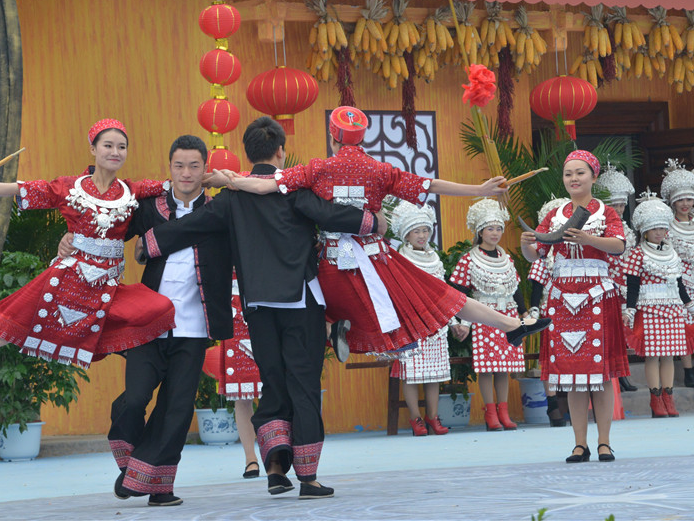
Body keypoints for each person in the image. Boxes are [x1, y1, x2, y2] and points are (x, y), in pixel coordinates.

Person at [140, 116, 386, 500]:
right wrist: (372, 221)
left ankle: (274, 468)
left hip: (256, 305)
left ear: (247, 153)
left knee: (271, 381)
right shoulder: (293, 190)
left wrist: (149, 244)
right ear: (281, 152)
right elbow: (330, 215)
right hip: (300, 301)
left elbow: (192, 226)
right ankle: (308, 477)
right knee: (302, 385)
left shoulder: (232, 200)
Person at [216, 106, 550, 359]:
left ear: (333, 138)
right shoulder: (379, 170)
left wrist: (228, 179)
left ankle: (334, 331)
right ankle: (512, 325)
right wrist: (478, 190)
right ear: (363, 138)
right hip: (377, 257)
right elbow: (428, 184)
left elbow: (264, 186)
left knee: (309, 307)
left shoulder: (317, 168)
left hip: (332, 261)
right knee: (440, 295)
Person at [0, 119, 176, 393]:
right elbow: (20, 188)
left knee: (157, 310)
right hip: (66, 283)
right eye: (108, 145)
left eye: (122, 147)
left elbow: (177, 185)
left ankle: (165, 377)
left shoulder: (132, 190)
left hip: (106, 287)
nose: (115, 152)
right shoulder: (68, 186)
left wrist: (215, 176)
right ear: (93, 148)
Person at [53, 135, 230, 507]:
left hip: (195, 328)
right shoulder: (149, 207)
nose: (186, 173)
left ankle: (158, 486)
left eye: (194, 166)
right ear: (169, 168)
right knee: (134, 400)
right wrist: (72, 237)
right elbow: (108, 224)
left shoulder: (221, 212)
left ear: (205, 170)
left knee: (176, 411)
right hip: (149, 323)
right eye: (179, 165)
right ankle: (135, 459)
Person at [520, 150, 629, 464]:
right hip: (563, 298)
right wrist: (528, 243)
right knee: (573, 376)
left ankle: (605, 442)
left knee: (601, 374)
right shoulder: (555, 214)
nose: (574, 179)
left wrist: (587, 238)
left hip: (597, 295)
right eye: (569, 174)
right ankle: (579, 444)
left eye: (580, 173)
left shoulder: (606, 213)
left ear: (593, 177)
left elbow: (619, 246)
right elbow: (536, 255)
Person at [450, 198, 526, 431]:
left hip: (509, 316)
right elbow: (457, 293)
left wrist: (524, 313)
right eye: (490, 228)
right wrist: (459, 322)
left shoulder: (507, 259)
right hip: (483, 317)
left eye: (498, 228)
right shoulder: (468, 259)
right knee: (486, 367)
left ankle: (503, 412)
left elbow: (516, 289)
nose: (495, 233)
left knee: (503, 366)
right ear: (480, 231)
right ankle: (490, 412)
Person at [622, 193, 694, 419]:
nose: (659, 232)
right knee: (653, 356)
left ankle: (669, 398)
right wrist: (630, 309)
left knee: (669, 356)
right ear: (645, 230)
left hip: (673, 309)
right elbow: (632, 286)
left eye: (662, 228)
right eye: (654, 228)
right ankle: (655, 400)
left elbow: (679, 284)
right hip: (649, 311)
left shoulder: (672, 254)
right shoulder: (637, 255)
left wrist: (690, 306)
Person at [388, 200, 452, 436]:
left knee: (435, 374)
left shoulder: (435, 257)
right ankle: (416, 419)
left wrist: (452, 321)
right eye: (417, 231)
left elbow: (444, 292)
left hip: (437, 325)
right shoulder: (399, 257)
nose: (422, 235)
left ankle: (433, 417)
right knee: (412, 374)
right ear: (407, 234)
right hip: (410, 323)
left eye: (425, 230)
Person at [202, 271, 263, 478]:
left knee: (273, 392)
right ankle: (250, 459)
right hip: (232, 307)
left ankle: (275, 453)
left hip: (263, 295)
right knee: (241, 397)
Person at [594, 163, 639, 392]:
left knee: (623, 332)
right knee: (607, 332)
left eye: (622, 204)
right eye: (615, 205)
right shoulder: (601, 229)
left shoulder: (628, 229)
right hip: (607, 283)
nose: (620, 209)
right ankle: (611, 375)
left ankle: (623, 374)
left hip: (624, 283)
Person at [527, 196, 570, 426]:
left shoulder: (577, 247)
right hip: (550, 310)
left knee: (574, 356)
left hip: (576, 310)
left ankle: (573, 402)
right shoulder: (543, 254)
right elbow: (536, 284)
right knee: (551, 358)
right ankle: (552, 404)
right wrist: (535, 311)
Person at [660, 159, 694, 388]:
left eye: (688, 198)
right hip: (679, 284)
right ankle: (688, 370)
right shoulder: (666, 227)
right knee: (685, 328)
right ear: (672, 202)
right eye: (680, 200)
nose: (685, 204)